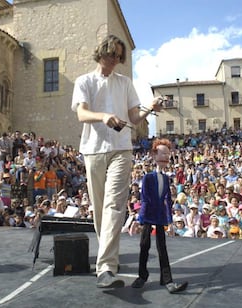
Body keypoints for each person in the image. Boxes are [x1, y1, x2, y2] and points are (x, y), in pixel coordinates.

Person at [71, 34, 164, 288]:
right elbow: (81, 113)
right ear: (101, 52)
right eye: (111, 54)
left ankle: (106, 268)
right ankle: (108, 259)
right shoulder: (84, 81)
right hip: (92, 149)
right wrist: (103, 117)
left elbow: (133, 117)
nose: (114, 60)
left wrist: (149, 108)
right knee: (99, 210)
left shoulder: (125, 83)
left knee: (114, 205)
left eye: (118, 57)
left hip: (121, 148)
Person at [131, 138, 188, 293]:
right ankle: (142, 276)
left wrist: (169, 221)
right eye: (162, 153)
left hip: (160, 215)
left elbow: (168, 200)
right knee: (144, 245)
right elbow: (145, 199)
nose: (165, 157)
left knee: (162, 247)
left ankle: (167, 279)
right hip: (148, 215)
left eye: (167, 154)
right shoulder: (148, 177)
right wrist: (141, 218)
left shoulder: (166, 178)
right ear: (154, 155)